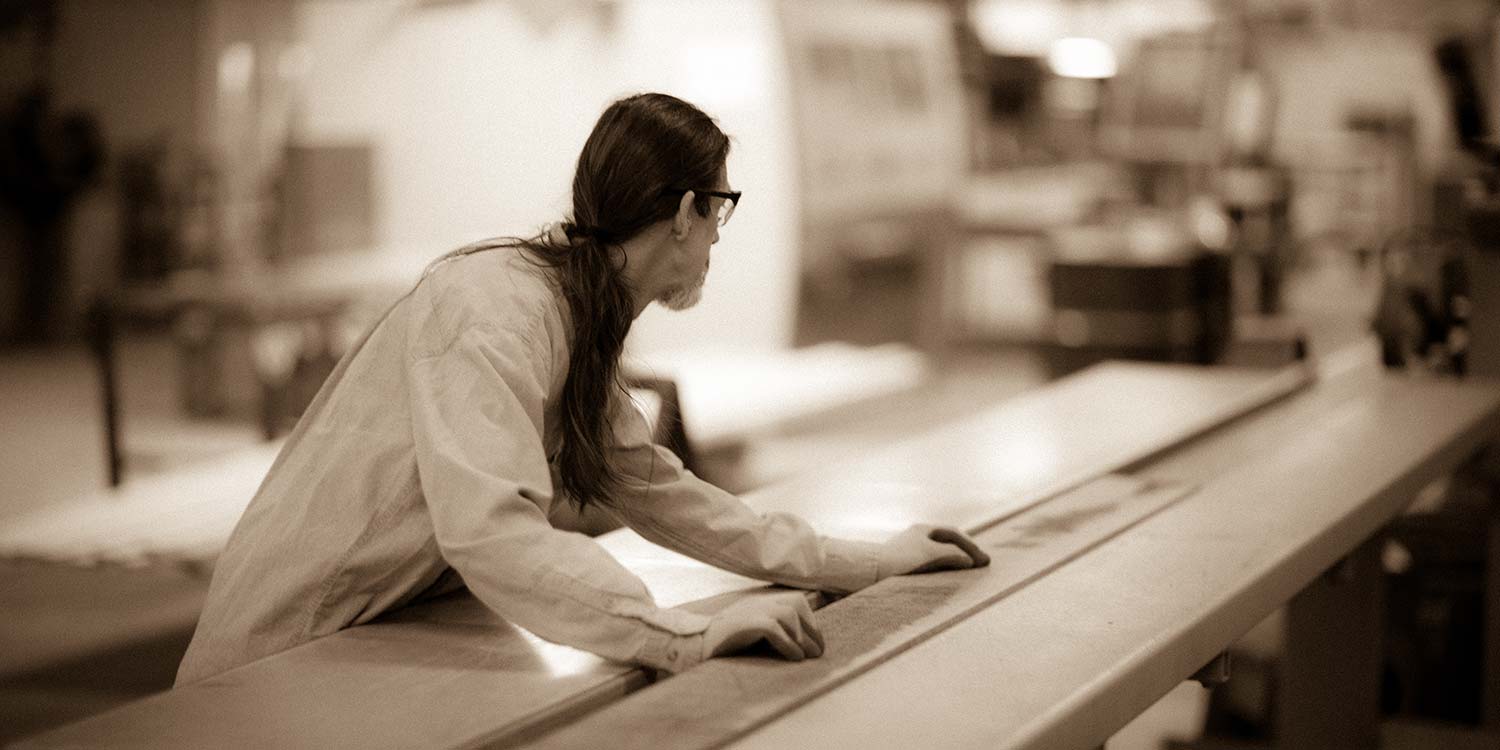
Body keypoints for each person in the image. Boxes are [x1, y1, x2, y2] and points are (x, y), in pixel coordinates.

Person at [175, 92, 989, 686]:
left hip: (360, 643)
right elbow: (491, 532)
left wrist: (864, 562)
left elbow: (659, 491)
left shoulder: (567, 315)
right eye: (719, 213)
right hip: (272, 661)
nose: (716, 240)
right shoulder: (494, 314)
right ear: (684, 213)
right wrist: (675, 635)